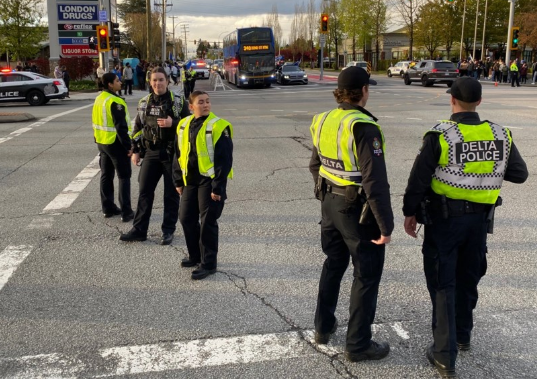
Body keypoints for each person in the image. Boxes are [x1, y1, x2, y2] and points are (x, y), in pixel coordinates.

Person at [402, 77, 528, 378]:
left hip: (445, 221)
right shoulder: (500, 133)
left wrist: (410, 213)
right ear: (479, 102)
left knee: (443, 280)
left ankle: (444, 355)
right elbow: (519, 174)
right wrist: (486, 167)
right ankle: (463, 333)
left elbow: (419, 179)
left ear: (452, 100)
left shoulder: (441, 134)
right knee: (469, 275)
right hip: (479, 223)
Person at [308, 67, 393, 362]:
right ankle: (357, 344)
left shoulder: (323, 120)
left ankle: (323, 326)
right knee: (366, 274)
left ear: (339, 92)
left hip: (329, 202)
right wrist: (385, 224)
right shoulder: (363, 126)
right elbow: (375, 182)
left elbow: (314, 164)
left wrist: (326, 192)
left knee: (333, 263)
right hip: (356, 209)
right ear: (364, 90)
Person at [120, 67, 190, 245]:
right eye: (154, 80)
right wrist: (135, 150)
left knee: (171, 194)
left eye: (161, 79)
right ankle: (139, 230)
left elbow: (189, 126)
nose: (158, 83)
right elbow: (137, 128)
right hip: (151, 152)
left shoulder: (178, 102)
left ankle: (168, 230)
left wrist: (172, 123)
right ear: (150, 83)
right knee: (144, 192)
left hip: (171, 154)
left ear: (167, 81)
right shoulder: (144, 102)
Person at [173, 91, 234, 280]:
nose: (206, 105)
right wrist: (177, 180)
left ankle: (208, 264)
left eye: (208, 101)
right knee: (185, 218)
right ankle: (195, 256)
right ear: (191, 107)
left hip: (210, 181)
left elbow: (224, 160)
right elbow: (178, 153)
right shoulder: (183, 124)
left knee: (207, 222)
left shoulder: (219, 126)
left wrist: (218, 188)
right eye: (201, 102)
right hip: (190, 180)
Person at [92, 73, 134, 222]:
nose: (120, 82)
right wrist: (129, 146)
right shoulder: (115, 102)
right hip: (115, 143)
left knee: (106, 175)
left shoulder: (99, 98)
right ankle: (126, 212)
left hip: (102, 143)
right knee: (124, 176)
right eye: (117, 80)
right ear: (110, 84)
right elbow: (121, 127)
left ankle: (108, 208)